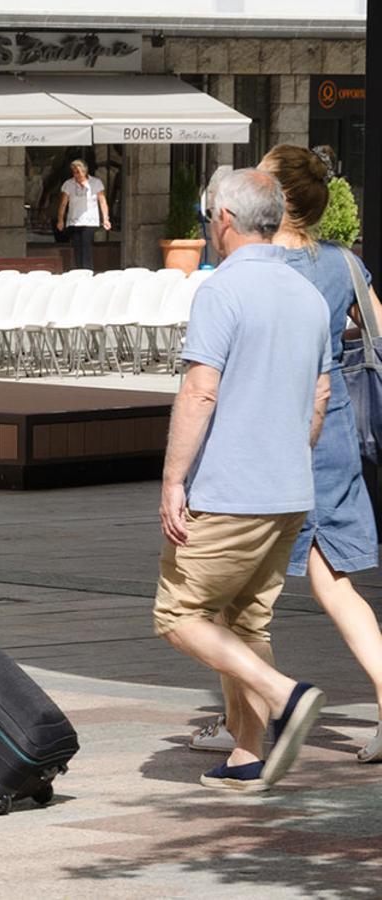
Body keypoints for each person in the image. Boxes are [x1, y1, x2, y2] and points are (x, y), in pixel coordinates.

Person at [188, 146, 382, 763]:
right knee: (337, 587)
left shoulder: (253, 268)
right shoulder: (344, 265)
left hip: (271, 445)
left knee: (238, 598)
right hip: (337, 442)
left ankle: (246, 726)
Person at [152, 168, 332, 792]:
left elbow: (201, 390)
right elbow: (320, 393)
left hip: (228, 489)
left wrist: (174, 480)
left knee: (178, 614)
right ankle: (247, 757)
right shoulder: (308, 295)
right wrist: (288, 454)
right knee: (246, 623)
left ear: (224, 220)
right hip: (288, 489)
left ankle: (286, 694)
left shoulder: (221, 291)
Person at [56, 159, 111, 271]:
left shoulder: (96, 183)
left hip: (90, 220)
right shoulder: (68, 184)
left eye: (78, 172)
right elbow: (63, 204)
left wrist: (105, 218)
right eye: (74, 172)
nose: (76, 175)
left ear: (85, 171)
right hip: (74, 221)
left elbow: (102, 201)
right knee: (77, 246)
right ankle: (79, 270)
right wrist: (60, 219)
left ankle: (88, 270)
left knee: (86, 245)